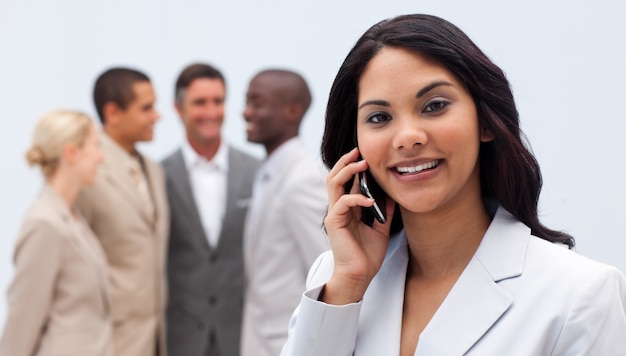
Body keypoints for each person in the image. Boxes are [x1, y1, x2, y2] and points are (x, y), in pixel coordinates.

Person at [281, 14, 626, 355]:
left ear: (486, 122)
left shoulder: (578, 295)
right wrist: (348, 287)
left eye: (434, 106)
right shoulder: (334, 278)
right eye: (379, 117)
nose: (408, 138)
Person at [163, 63, 259, 356]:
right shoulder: (159, 176)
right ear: (179, 109)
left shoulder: (256, 171)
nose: (212, 112)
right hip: (180, 338)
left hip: (241, 336)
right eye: (200, 102)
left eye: (218, 101)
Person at [0, 110, 111, 356]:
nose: (101, 157)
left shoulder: (73, 219)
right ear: (71, 152)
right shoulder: (45, 224)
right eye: (95, 146)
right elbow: (21, 324)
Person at [77, 68, 170, 356]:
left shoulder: (154, 171)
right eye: (147, 108)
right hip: (108, 342)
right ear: (113, 112)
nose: (157, 116)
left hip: (156, 340)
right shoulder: (87, 174)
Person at [241, 69, 329, 356]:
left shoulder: (302, 180)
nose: (245, 112)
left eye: (257, 103)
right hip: (259, 342)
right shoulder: (267, 172)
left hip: (284, 343)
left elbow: (326, 275)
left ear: (293, 111)